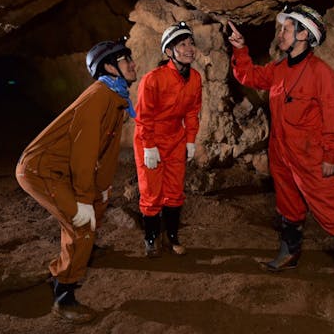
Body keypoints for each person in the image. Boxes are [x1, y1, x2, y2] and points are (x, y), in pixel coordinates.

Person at [227, 5, 334, 314]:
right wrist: (240, 49)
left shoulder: (322, 74)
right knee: (288, 204)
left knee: (332, 212)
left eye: (287, 29)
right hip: (281, 153)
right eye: (281, 29)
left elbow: (333, 118)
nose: (281, 34)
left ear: (304, 34)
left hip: (311, 157)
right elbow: (249, 74)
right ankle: (289, 253)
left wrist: (332, 155)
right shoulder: (278, 68)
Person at [15, 37, 137, 323]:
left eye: (130, 58)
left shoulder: (116, 97)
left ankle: (71, 262)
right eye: (124, 60)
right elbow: (84, 153)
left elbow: (105, 154)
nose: (132, 63)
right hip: (39, 170)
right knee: (82, 227)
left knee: (88, 220)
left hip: (61, 170)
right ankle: (64, 296)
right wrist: (84, 200)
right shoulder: (99, 97)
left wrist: (102, 191)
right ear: (110, 67)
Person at [133, 21, 202, 257]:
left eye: (191, 43)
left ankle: (172, 237)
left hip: (175, 138)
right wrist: (149, 147)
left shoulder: (195, 78)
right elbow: (143, 117)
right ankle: (151, 238)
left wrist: (190, 140)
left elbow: (192, 111)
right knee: (151, 192)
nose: (190, 48)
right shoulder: (153, 79)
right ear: (169, 51)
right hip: (150, 138)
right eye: (182, 44)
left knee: (174, 191)